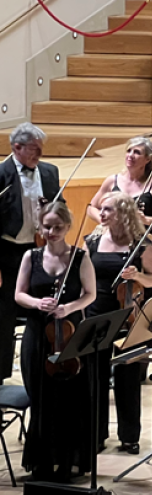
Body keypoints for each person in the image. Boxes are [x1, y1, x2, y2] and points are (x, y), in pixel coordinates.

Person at [16, 202, 96, 481]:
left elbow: (90, 294)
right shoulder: (31, 257)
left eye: (58, 227)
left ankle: (66, 464)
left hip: (70, 335)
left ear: (67, 227)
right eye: (47, 226)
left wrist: (69, 307)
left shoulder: (80, 258)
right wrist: (38, 303)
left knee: (68, 401)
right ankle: (42, 463)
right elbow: (19, 294)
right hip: (38, 337)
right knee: (41, 399)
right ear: (39, 227)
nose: (51, 231)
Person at [85, 191, 152, 455]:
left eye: (108, 210)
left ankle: (129, 436)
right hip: (98, 314)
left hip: (129, 315)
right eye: (102, 209)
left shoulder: (142, 244)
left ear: (124, 213)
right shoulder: (93, 240)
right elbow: (83, 277)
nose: (102, 214)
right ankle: (95, 434)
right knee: (95, 377)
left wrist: (138, 273)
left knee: (128, 378)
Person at [87, 137, 152, 344]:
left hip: (142, 243)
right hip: (112, 240)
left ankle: (145, 345)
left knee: (147, 290)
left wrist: (146, 219)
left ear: (147, 159)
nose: (130, 156)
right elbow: (91, 206)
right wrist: (104, 220)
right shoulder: (112, 181)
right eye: (129, 151)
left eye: (137, 152)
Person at [0, 123, 61, 382]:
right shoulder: (1, 173)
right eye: (34, 149)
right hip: (8, 251)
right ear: (17, 147)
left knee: (44, 308)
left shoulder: (48, 172)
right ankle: (1, 374)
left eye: (40, 149)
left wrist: (53, 212)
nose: (39, 155)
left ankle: (45, 367)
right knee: (5, 315)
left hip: (39, 250)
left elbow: (61, 205)